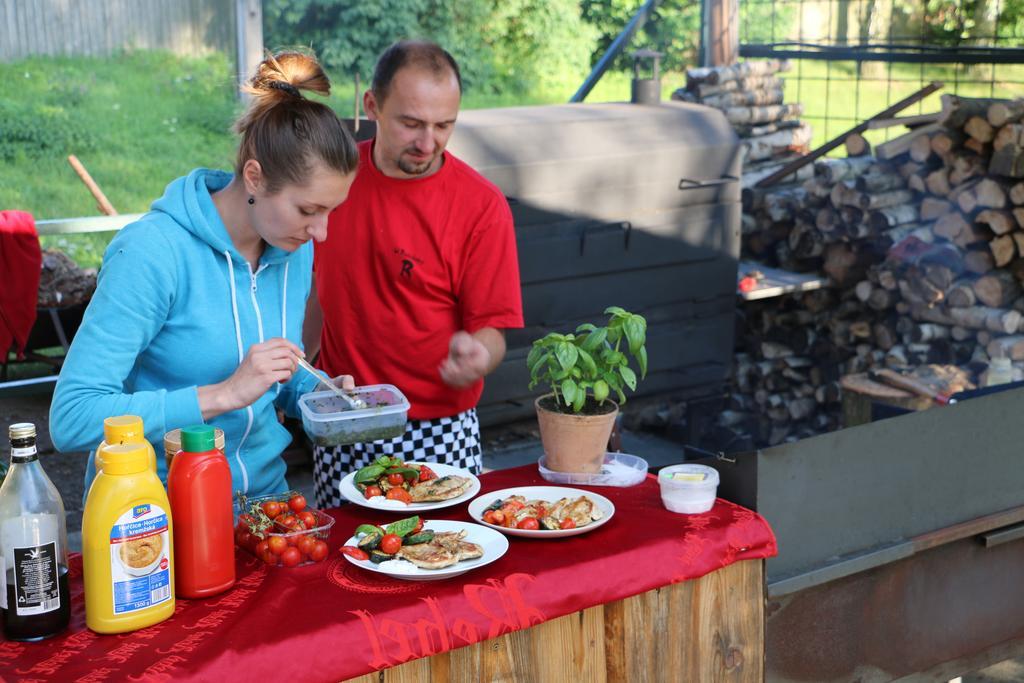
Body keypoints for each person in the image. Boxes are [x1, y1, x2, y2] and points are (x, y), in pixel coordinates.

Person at [50, 51, 359, 497]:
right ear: (254, 177)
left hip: (266, 512)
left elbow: (272, 378)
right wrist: (222, 395)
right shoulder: (152, 252)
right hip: (154, 521)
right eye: (309, 210)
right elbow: (72, 418)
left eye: (331, 211)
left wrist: (318, 394)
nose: (322, 232)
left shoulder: (293, 247)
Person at [305, 40, 523, 508]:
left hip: (438, 427)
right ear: (372, 106)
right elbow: (310, 288)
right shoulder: (330, 181)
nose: (428, 142)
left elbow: (493, 331)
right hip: (343, 417)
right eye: (411, 123)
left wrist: (477, 356)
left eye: (444, 125)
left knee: (442, 560)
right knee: (342, 567)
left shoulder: (481, 206)